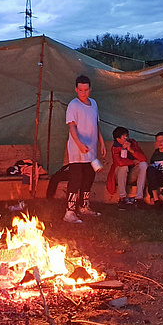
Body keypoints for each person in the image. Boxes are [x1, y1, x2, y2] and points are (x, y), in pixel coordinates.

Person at [64, 75, 107, 224]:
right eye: (81, 90)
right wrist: (79, 144)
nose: (84, 93)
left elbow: (96, 124)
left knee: (89, 177)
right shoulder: (73, 105)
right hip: (77, 150)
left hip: (91, 149)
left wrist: (101, 142)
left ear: (90, 89)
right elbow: (71, 127)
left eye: (86, 90)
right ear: (76, 89)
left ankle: (84, 207)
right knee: (76, 179)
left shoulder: (94, 104)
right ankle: (69, 211)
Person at [106, 127, 148, 210]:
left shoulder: (133, 143)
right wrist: (133, 162)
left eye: (127, 136)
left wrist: (131, 150)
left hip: (131, 173)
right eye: (124, 137)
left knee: (143, 165)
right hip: (120, 174)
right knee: (123, 167)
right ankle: (122, 198)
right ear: (118, 139)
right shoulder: (115, 148)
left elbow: (143, 158)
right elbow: (120, 162)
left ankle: (139, 198)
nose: (127, 139)